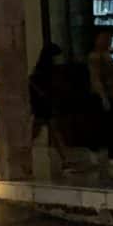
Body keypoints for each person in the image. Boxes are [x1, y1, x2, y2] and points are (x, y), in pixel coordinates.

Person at [28, 42, 75, 179]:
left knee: (43, 132)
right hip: (44, 105)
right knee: (50, 132)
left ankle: (65, 160)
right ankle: (65, 160)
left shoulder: (43, 69)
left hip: (43, 105)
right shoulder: (47, 71)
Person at [84, 29, 113, 165]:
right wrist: (103, 96)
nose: (108, 42)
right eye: (105, 39)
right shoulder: (95, 57)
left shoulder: (106, 55)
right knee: (103, 125)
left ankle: (112, 153)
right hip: (104, 96)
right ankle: (97, 150)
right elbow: (95, 78)